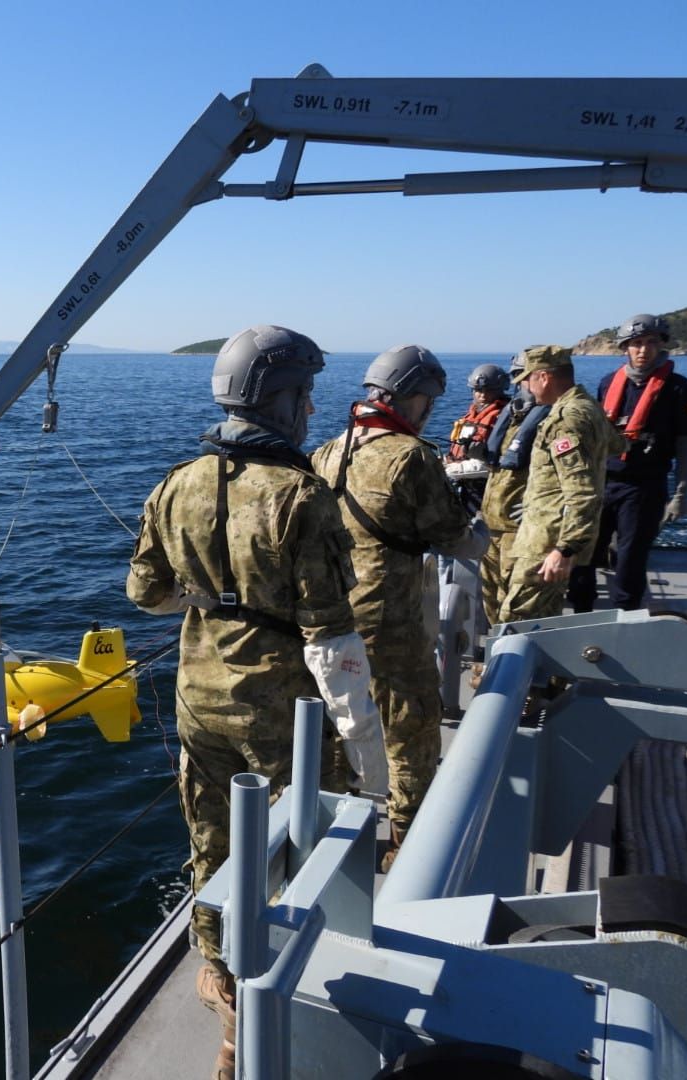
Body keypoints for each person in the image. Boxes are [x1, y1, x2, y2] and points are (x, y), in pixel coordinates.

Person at [127, 324, 386, 1080]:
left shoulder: (176, 483)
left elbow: (144, 593)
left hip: (197, 697)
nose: (311, 409)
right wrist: (368, 756)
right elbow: (331, 637)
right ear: (281, 401)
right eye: (305, 395)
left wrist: (212, 598)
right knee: (301, 842)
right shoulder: (301, 496)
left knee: (211, 837)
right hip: (280, 708)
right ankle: (283, 997)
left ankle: (221, 976)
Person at [311, 345, 483, 870]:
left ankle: (337, 833)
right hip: (392, 617)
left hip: (333, 615)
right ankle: (407, 838)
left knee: (341, 720)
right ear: (416, 398)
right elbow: (454, 538)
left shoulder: (328, 451)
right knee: (411, 721)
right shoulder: (411, 457)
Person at [567, 313, 687, 611]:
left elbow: (686, 445)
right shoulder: (607, 383)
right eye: (636, 343)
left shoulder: (679, 389)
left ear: (661, 345)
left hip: (644, 488)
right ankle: (580, 612)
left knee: (630, 558)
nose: (643, 350)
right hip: (602, 482)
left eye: (651, 342)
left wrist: (681, 494)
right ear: (625, 347)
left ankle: (624, 616)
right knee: (584, 551)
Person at [499, 345, 621, 623]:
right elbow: (617, 445)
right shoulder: (588, 407)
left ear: (544, 377)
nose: (526, 388)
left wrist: (565, 549)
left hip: (547, 541)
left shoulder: (566, 420)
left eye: (528, 379)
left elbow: (582, 492)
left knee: (516, 619)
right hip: (552, 535)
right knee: (544, 621)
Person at [479, 353, 552, 626]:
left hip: (521, 527)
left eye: (527, 376)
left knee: (515, 604)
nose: (522, 383)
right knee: (490, 595)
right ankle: (496, 646)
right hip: (492, 522)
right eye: (518, 377)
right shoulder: (513, 415)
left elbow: (573, 479)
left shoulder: (555, 420)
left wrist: (539, 507)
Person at [442, 363, 512, 513]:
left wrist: (452, 470)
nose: (483, 395)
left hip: (486, 488)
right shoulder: (472, 415)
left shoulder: (505, 419)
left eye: (489, 391)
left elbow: (496, 463)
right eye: (478, 390)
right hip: (465, 484)